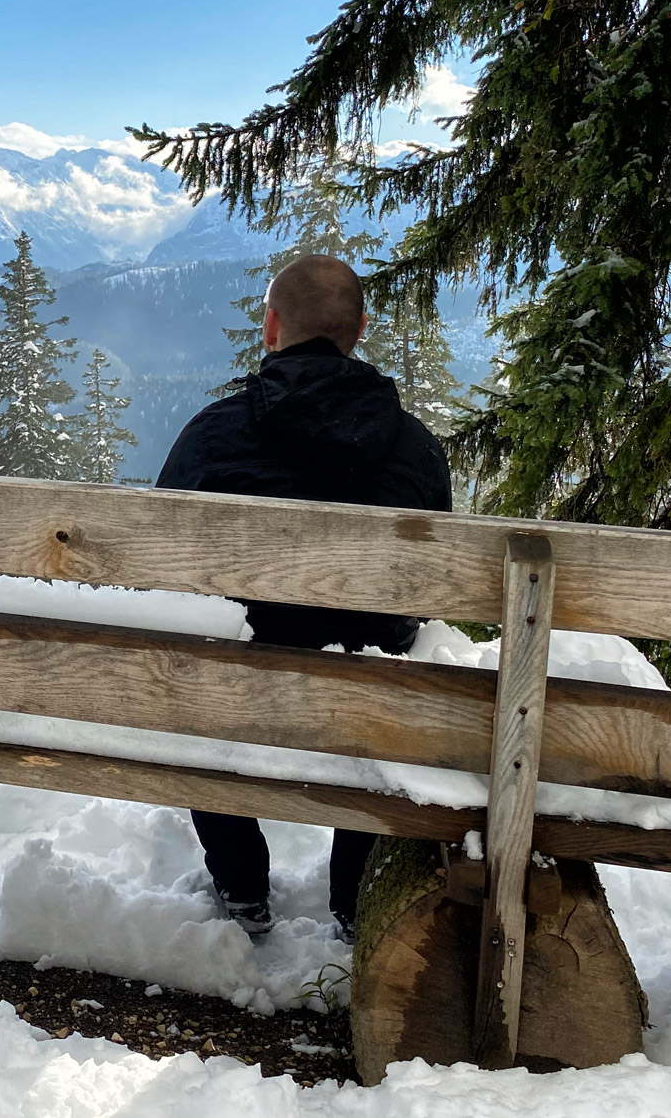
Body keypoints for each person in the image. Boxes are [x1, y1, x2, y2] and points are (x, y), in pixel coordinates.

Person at [155, 254, 451, 938]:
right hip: (371, 704)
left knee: (205, 669)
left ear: (271, 327)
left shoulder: (213, 436)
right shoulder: (414, 449)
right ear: (360, 329)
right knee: (382, 665)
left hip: (239, 694)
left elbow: (161, 570)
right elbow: (432, 592)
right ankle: (352, 900)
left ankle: (240, 886)